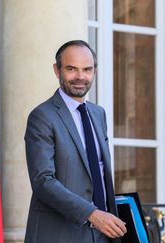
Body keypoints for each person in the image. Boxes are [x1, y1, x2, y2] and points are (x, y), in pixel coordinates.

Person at [24, 40, 127, 243]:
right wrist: (93, 214)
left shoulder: (98, 114)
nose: (80, 77)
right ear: (57, 70)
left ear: (94, 71)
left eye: (87, 69)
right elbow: (43, 181)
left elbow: (98, 174)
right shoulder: (42, 116)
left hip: (102, 235)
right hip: (59, 235)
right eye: (71, 69)